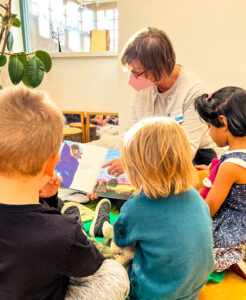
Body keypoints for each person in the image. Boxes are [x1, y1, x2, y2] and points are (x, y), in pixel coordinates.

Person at [0, 86, 129, 300]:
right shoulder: (62, 233)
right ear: (53, 163)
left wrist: (49, 201)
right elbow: (94, 266)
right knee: (115, 273)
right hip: (67, 260)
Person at [90, 117, 215, 300]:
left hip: (149, 294)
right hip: (193, 288)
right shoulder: (195, 196)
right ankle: (105, 226)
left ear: (136, 168)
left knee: (106, 255)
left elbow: (119, 245)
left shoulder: (136, 206)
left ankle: (103, 227)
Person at [103, 27, 218, 177]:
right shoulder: (142, 82)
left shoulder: (193, 92)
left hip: (192, 158)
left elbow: (185, 152)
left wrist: (133, 163)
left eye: (137, 72)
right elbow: (130, 132)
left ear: (160, 67)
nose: (133, 78)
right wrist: (123, 157)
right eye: (131, 71)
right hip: (148, 155)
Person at [195, 87, 246, 273]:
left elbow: (209, 209)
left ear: (223, 123)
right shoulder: (237, 157)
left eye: (209, 127)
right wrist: (212, 171)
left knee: (197, 256)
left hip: (230, 229)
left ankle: (235, 258)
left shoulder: (231, 166)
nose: (209, 134)